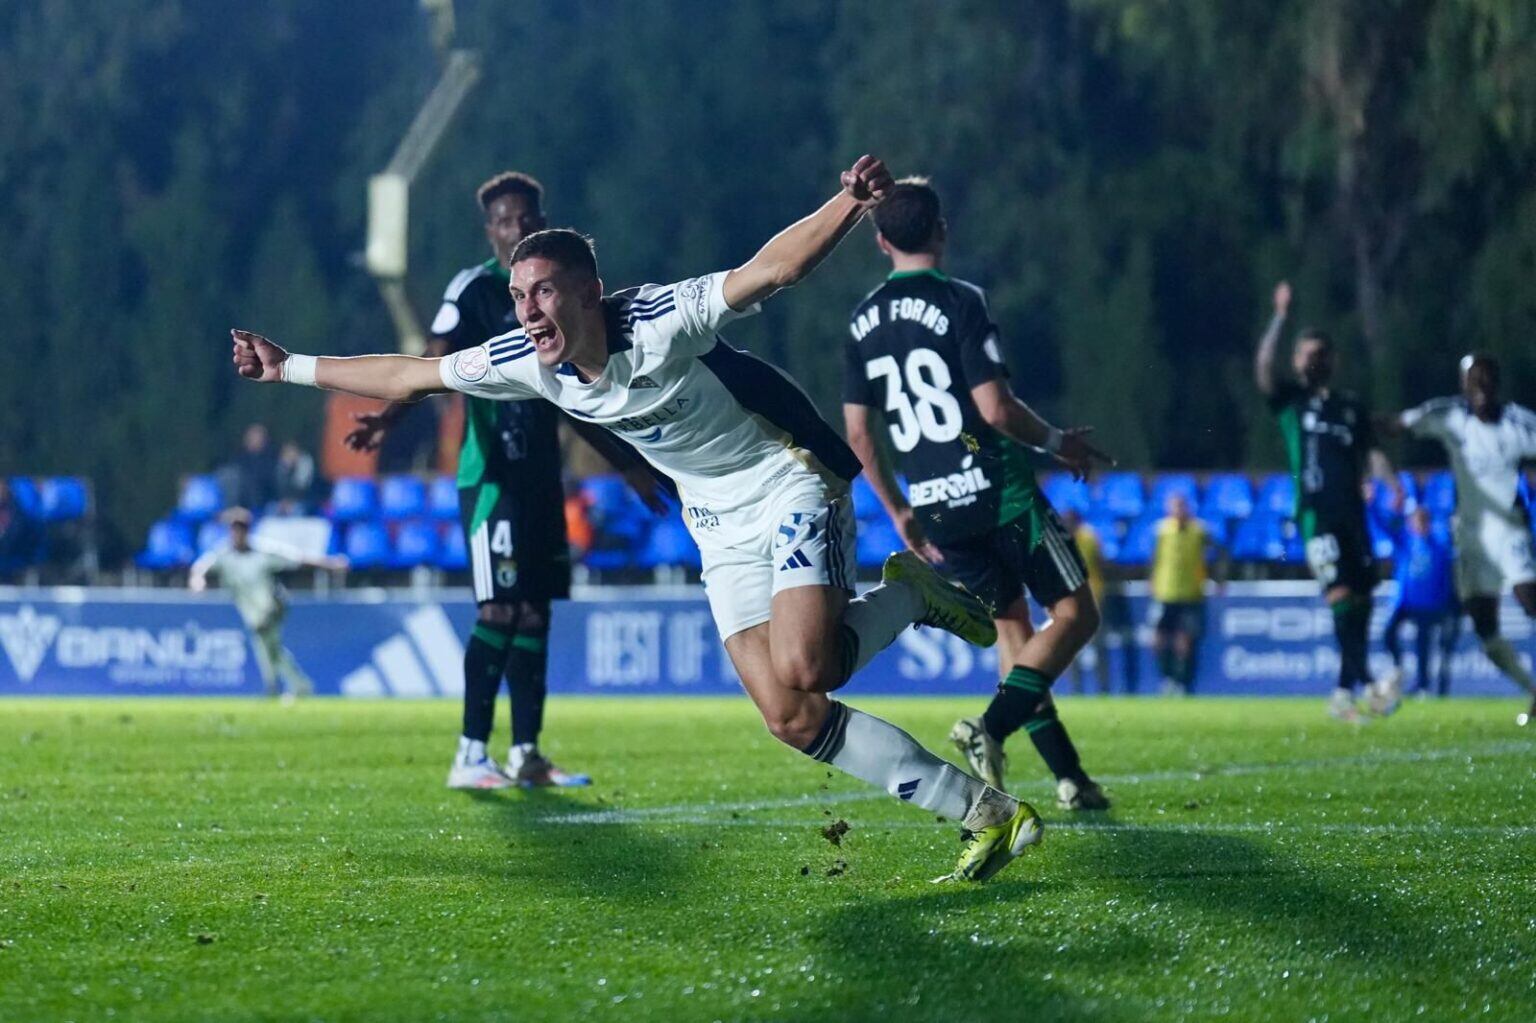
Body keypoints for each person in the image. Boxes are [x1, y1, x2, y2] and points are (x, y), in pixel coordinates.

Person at [232, 155, 1042, 883]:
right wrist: (289, 365)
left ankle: (906, 596)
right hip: (714, 517)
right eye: (517, 296)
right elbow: (411, 372)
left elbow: (773, 270)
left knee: (807, 668)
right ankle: (986, 813)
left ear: (589, 289)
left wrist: (848, 205)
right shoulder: (524, 361)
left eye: (542, 291)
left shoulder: (661, 317)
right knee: (791, 715)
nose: (526, 311)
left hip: (789, 476)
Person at [346, 171, 669, 791]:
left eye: (525, 217)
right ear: (488, 229)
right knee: (499, 608)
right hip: (492, 475)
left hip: (541, 476)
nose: (515, 227)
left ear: (541, 218)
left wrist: (627, 462)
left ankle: (526, 754)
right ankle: (470, 754)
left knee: (536, 613)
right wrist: (389, 419)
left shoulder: (558, 294)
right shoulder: (474, 292)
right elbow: (428, 363)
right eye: (503, 220)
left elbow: (577, 396)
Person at [841, 177, 1113, 811]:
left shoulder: (860, 322)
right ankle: (989, 727)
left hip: (936, 507)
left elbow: (858, 431)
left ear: (881, 242)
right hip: (1001, 494)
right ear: (942, 228)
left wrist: (899, 510)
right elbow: (994, 408)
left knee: (1016, 636)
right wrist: (1057, 441)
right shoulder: (961, 299)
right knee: (1075, 616)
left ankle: (1070, 777)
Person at [1254, 280, 1401, 722]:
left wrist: (1391, 484)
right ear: (1298, 361)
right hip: (1317, 512)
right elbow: (1263, 368)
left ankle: (1341, 692)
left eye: (1322, 354)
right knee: (1339, 594)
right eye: (1308, 354)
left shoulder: (1350, 407)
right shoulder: (1291, 402)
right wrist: (1280, 317)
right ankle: (1372, 683)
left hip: (1354, 515)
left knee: (1361, 600)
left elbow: (1372, 451)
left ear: (1333, 361)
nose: (1315, 361)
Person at [1383, 354, 1536, 722]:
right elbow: (1396, 424)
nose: (1480, 385)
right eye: (1473, 379)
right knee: (1485, 627)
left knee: (1530, 600)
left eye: (1486, 377)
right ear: (1463, 385)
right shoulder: (1449, 417)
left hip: (1509, 530)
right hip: (1470, 536)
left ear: (1496, 382)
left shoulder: (1520, 424)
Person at [189, 508, 345, 701]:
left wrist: (330, 564)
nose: (237, 533)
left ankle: (288, 686)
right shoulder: (223, 555)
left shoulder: (263, 551)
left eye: (242, 528)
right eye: (234, 529)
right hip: (250, 612)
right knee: (269, 649)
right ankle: (284, 687)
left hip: (272, 607)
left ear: (247, 531)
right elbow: (200, 568)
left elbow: (298, 559)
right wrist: (198, 581)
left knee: (267, 644)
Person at [1374, 496, 1459, 698]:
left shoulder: (1439, 547)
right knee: (1388, 633)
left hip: (1429, 605)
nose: (1419, 524)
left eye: (1422, 520)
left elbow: (1447, 577)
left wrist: (1447, 603)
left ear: (1428, 523)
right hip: (1404, 602)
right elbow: (1382, 525)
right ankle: (1398, 665)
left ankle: (1422, 684)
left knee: (1423, 646)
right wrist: (1372, 504)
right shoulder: (1405, 542)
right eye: (1415, 520)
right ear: (1411, 522)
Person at [1149, 493, 1223, 697]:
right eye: (1175, 507)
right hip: (1165, 592)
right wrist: (1152, 580)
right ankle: (1167, 678)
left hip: (1191, 593)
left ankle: (1182, 683)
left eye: (1182, 506)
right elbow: (1155, 558)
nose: (1179, 511)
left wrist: (1218, 578)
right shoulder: (1162, 530)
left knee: (1185, 640)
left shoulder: (1199, 530)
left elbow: (1218, 552)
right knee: (1158, 639)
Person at [1060, 508, 1110, 695]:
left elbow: (1100, 563)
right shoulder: (1060, 540)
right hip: (1069, 600)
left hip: (1093, 597)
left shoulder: (1089, 538)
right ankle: (1077, 689)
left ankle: (1103, 688)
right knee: (1071, 648)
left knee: (1098, 645)